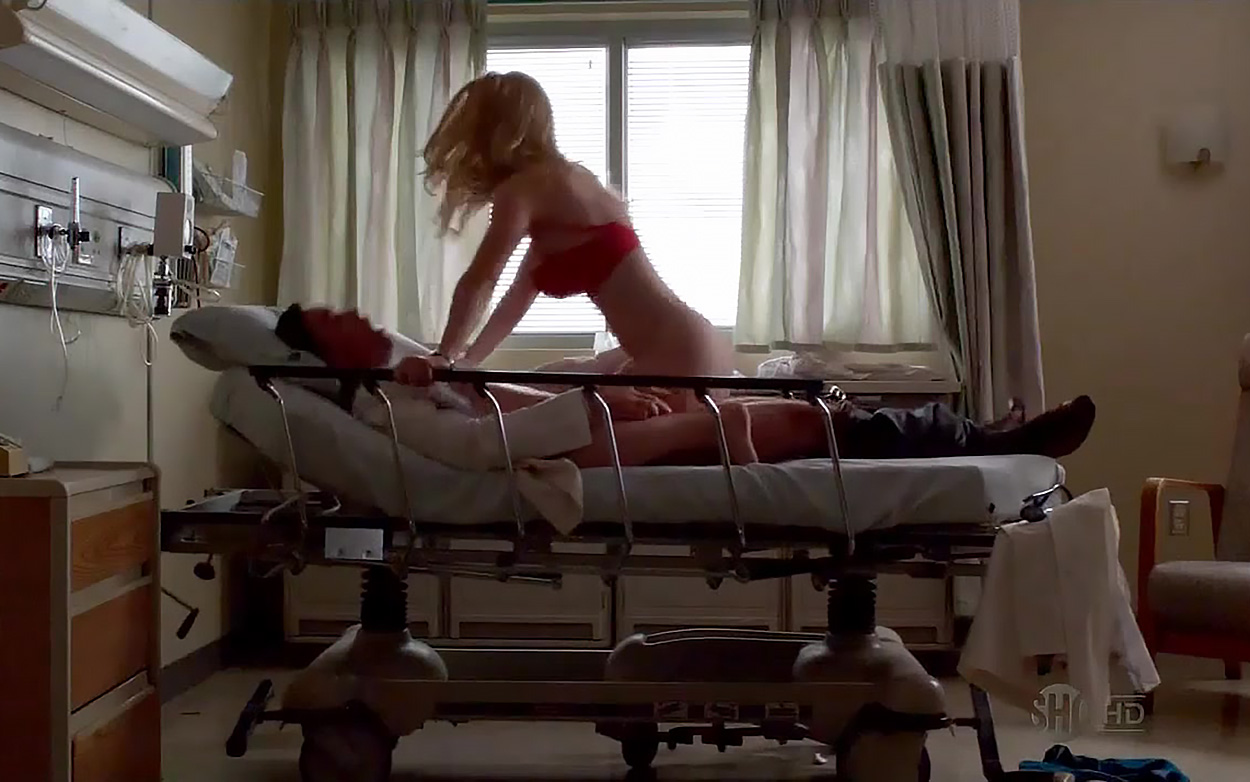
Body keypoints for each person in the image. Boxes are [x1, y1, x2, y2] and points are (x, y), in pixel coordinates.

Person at [276, 304, 1098, 470]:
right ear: (326, 357)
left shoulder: (407, 377)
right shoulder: (388, 403)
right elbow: (485, 443)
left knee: (807, 408)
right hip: (579, 453)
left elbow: (493, 400)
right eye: (331, 320)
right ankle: (992, 442)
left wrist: (596, 388)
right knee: (804, 422)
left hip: (586, 431)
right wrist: (596, 403)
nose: (352, 313)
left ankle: (982, 435)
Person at [415, 71, 733, 412]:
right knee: (549, 383)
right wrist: (466, 364)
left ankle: (743, 419)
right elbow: (516, 298)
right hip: (698, 348)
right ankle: (741, 416)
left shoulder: (521, 190)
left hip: (678, 357)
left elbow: (482, 279)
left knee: (559, 420)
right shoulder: (573, 180)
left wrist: (444, 356)